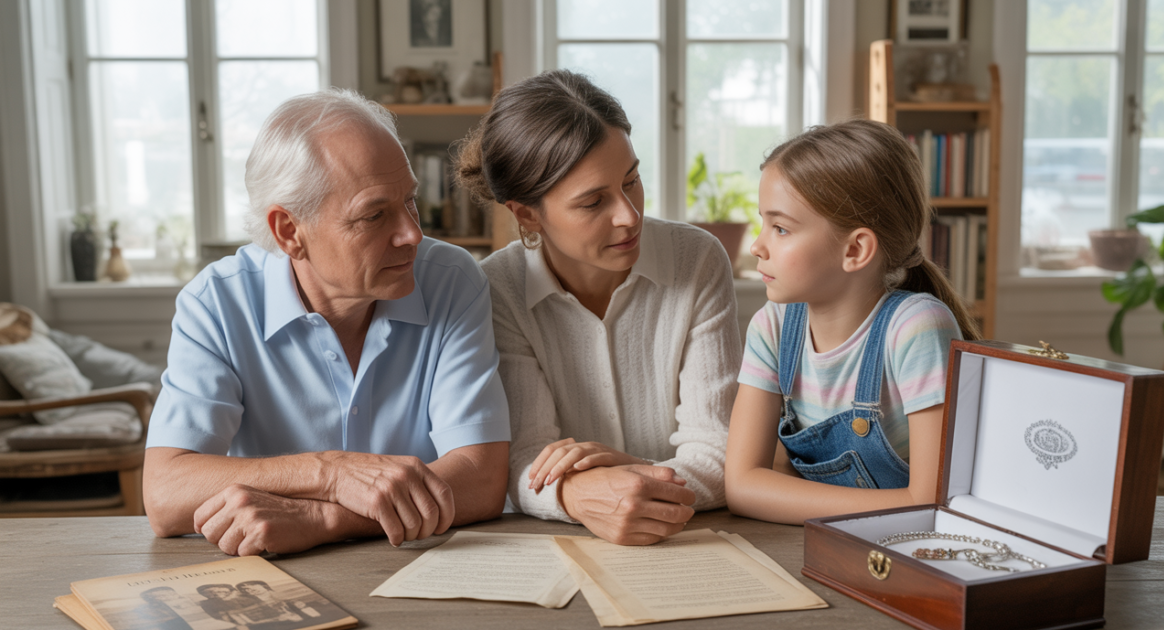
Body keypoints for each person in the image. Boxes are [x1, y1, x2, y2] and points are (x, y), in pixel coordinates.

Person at [142, 89, 511, 556]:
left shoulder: (453, 280)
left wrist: (324, 519)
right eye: (374, 215)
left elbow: (482, 478)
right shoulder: (216, 302)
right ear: (289, 232)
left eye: (410, 201)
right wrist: (330, 473)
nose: (412, 233)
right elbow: (166, 493)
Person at [456, 70, 742, 546]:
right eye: (593, 202)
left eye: (632, 181)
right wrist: (576, 496)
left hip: (693, 540)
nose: (629, 215)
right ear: (526, 213)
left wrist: (624, 477)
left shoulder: (697, 259)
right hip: (555, 545)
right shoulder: (498, 288)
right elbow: (522, 459)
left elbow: (721, 454)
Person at [725, 119, 981, 525]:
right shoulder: (771, 328)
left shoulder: (916, 328)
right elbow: (741, 487)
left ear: (856, 250)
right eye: (763, 223)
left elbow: (931, 504)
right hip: (816, 543)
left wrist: (781, 494)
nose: (757, 245)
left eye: (780, 228)